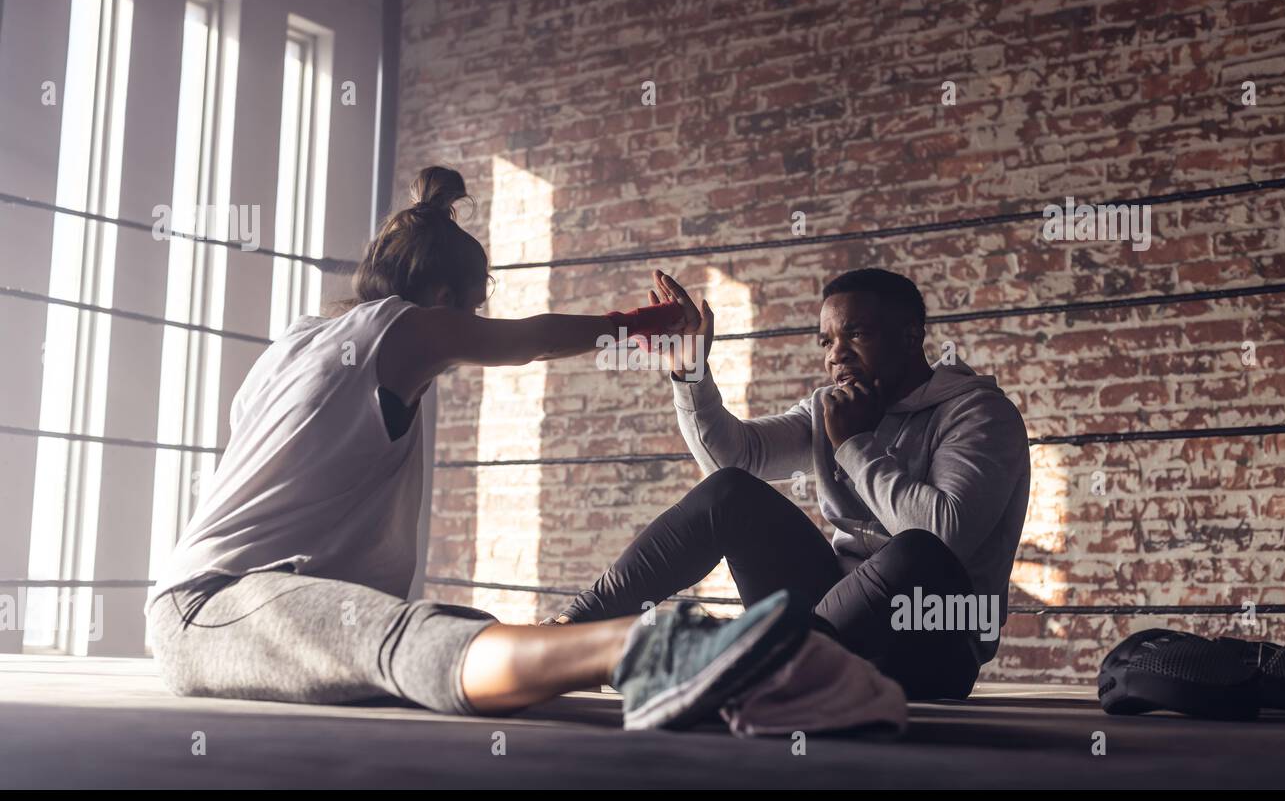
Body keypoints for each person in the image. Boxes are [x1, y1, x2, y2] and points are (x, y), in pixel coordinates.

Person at [144, 166, 809, 731]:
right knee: (404, 638)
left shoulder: (296, 342)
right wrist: (642, 325)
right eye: (470, 310)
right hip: (215, 605)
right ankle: (650, 650)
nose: (468, 331)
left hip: (248, 600)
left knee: (462, 625)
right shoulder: (399, 328)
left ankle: (618, 649)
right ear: (442, 300)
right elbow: (528, 340)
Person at [551, 268, 1032, 699]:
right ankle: (572, 635)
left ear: (910, 337)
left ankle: (735, 660)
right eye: (826, 341)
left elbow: (943, 536)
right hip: (828, 623)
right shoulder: (835, 406)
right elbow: (735, 456)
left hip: (929, 642)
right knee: (731, 491)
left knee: (914, 553)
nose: (836, 354)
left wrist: (855, 445)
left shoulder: (978, 413)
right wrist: (689, 371)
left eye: (856, 334)